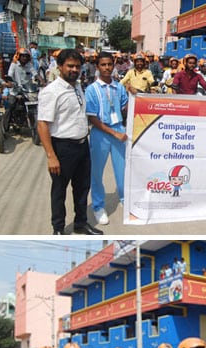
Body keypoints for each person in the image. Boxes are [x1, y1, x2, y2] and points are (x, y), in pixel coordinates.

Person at [37, 48, 103, 236]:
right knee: (59, 190)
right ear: (59, 67)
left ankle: (80, 223)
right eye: (70, 66)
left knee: (82, 188)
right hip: (62, 148)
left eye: (77, 66)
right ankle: (58, 228)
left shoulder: (77, 86)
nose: (74, 70)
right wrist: (51, 156)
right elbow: (42, 124)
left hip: (82, 145)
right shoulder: (52, 92)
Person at [85, 51, 129, 226]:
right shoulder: (91, 89)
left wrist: (136, 97)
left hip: (118, 128)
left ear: (114, 65)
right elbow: (92, 118)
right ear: (97, 67)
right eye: (103, 65)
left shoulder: (119, 87)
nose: (107, 68)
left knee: (123, 170)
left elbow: (126, 108)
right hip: (101, 132)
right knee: (96, 172)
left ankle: (126, 199)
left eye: (110, 64)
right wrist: (114, 133)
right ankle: (98, 206)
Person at [3, 48, 36, 132]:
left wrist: (42, 81)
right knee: (10, 105)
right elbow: (10, 74)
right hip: (15, 90)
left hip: (26, 90)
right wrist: (10, 81)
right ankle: (4, 128)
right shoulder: (14, 64)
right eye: (22, 56)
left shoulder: (29, 65)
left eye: (26, 56)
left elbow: (35, 73)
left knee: (35, 103)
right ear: (18, 56)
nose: (24, 58)